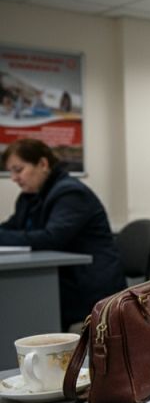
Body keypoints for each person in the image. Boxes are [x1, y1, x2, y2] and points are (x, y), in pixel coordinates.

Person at [1, 138, 126, 330]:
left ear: (43, 164)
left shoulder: (70, 193)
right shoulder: (30, 196)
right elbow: (12, 227)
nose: (14, 178)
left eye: (18, 170)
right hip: (65, 280)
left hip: (88, 286)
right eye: (11, 172)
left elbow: (51, 238)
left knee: (20, 302)